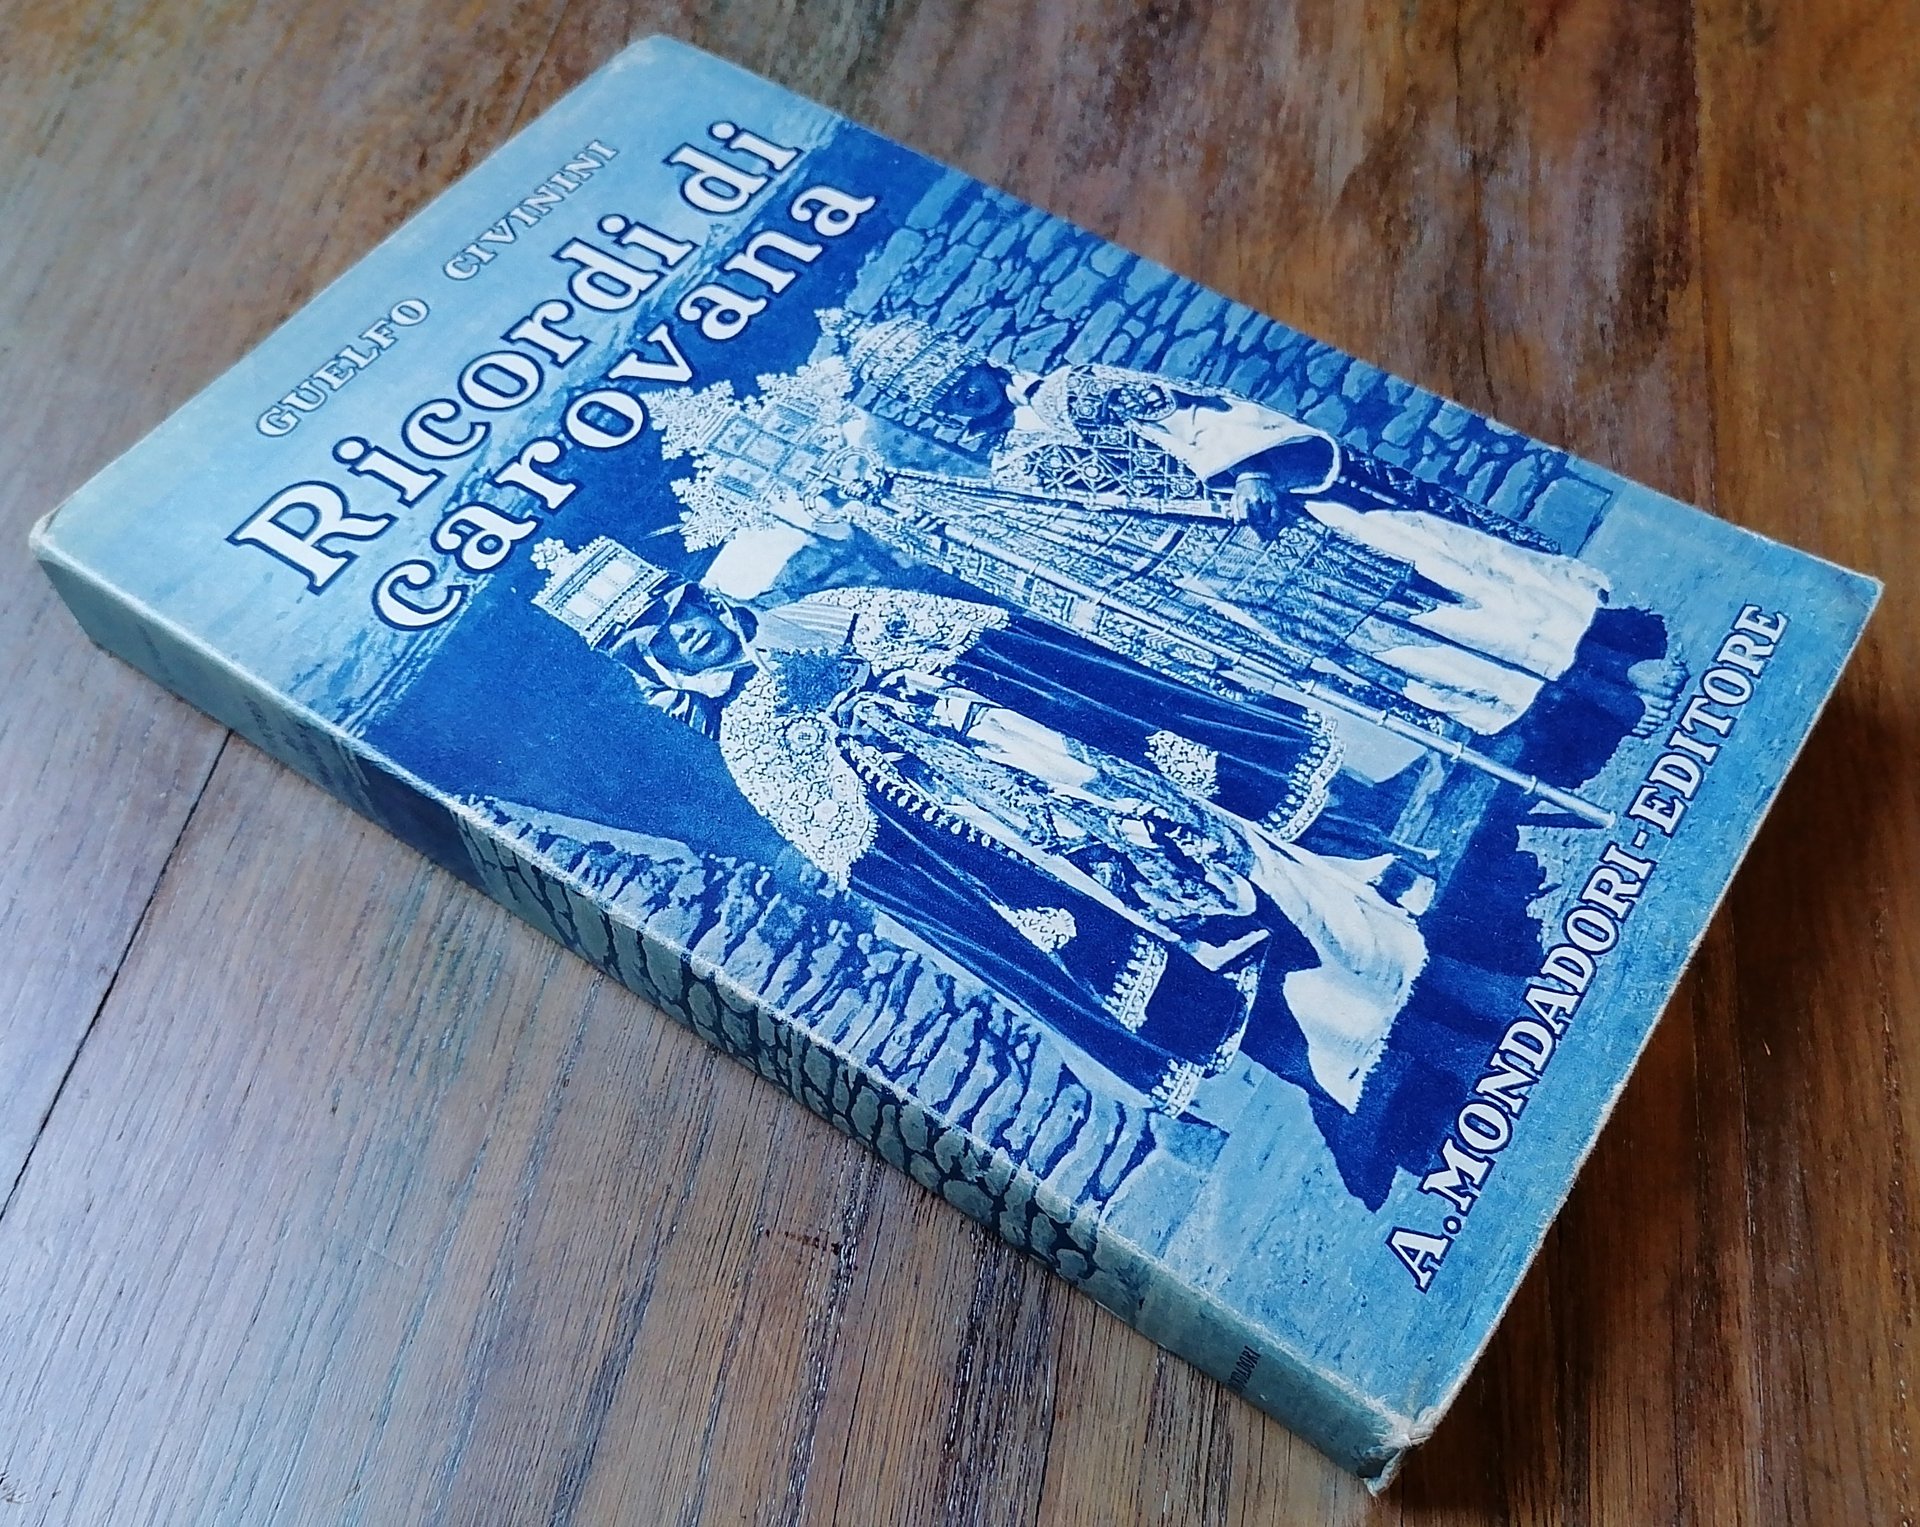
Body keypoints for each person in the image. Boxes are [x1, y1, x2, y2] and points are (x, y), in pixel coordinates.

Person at [528, 535, 1428, 1118]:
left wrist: (915, 686)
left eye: (681, 608)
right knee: (1173, 941)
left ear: (701, 599)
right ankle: (1341, 1057)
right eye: (661, 636)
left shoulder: (825, 611)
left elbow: (1001, 645)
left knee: (1216, 844)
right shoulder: (753, 750)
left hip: (1058, 756)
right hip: (1018, 848)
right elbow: (879, 859)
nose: (686, 631)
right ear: (655, 665)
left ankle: (1387, 943)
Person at [827, 313, 1680, 753]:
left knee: (1447, 583)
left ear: (973, 359)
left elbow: (1198, 415)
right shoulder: (1010, 474)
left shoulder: (1076, 391)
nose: (964, 396)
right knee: (1407, 648)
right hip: (1232, 576)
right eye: (944, 398)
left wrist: (1249, 470)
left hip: (1277, 516)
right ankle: (1562, 704)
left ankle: (1610, 665)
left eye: (959, 377)